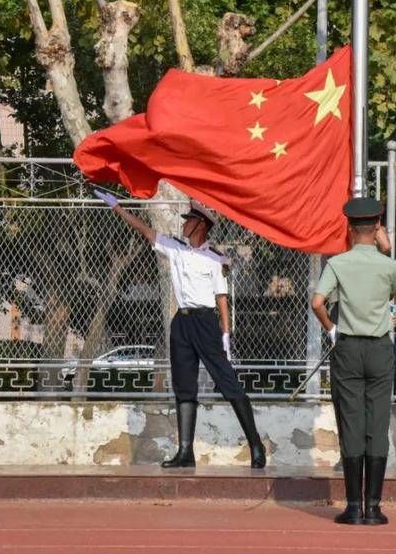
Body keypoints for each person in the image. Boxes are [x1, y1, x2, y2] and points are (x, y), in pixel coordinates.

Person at [93, 190, 266, 469]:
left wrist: (225, 333)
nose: (183, 225)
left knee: (228, 382)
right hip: (182, 324)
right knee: (184, 387)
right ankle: (185, 452)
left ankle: (255, 444)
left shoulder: (214, 258)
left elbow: (222, 297)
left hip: (205, 322)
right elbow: (145, 231)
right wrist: (118, 208)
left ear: (200, 225)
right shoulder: (175, 249)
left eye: (188, 221)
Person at [311, 197, 396, 525]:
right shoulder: (391, 266)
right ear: (376, 227)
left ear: (349, 228)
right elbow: (393, 298)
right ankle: (373, 508)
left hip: (347, 349)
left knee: (351, 422)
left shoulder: (338, 263)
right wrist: (387, 250)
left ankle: (352, 507)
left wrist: (333, 330)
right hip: (379, 350)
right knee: (376, 424)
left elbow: (318, 301)